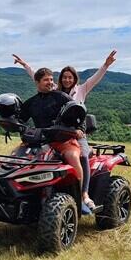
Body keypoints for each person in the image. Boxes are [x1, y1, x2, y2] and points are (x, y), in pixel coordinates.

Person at [13, 50, 118, 211]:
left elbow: (80, 112)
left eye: (70, 77)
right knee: (18, 155)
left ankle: (82, 195)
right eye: (64, 77)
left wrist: (105, 65)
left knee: (79, 155)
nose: (66, 79)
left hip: (70, 135)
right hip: (45, 137)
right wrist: (25, 65)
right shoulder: (45, 96)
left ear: (74, 79)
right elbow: (36, 76)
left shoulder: (71, 94)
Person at [17, 68, 86, 209]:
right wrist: (19, 130)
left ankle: (80, 198)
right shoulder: (31, 102)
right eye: (46, 80)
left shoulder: (61, 97)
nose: (50, 82)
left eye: (51, 79)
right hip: (39, 142)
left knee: (73, 157)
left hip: (63, 141)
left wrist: (80, 129)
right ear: (37, 82)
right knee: (15, 156)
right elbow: (20, 120)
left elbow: (79, 112)